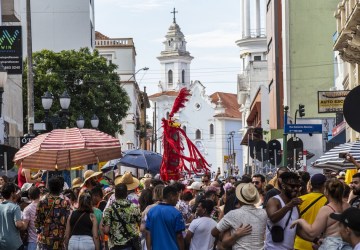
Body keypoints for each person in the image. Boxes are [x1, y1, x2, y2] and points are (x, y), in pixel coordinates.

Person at [291, 178, 351, 250]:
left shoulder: (326, 209)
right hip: (347, 245)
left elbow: (312, 232)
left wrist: (300, 221)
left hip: (332, 245)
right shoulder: (348, 206)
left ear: (326, 192)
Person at [212, 183, 267, 250]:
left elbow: (214, 232)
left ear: (239, 199)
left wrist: (231, 234)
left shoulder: (233, 214)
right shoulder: (263, 213)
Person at [265, 171, 302, 250]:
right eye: (292, 186)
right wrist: (289, 205)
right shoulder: (274, 201)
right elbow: (273, 218)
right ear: (283, 185)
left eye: (298, 186)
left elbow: (298, 230)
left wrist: (315, 239)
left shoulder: (296, 207)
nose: (295, 189)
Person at [294, 173, 328, 250]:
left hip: (299, 243)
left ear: (311, 185)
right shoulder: (328, 201)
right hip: (318, 244)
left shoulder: (300, 200)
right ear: (324, 185)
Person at [35, 177, 71, 250]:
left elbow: (37, 221)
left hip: (45, 240)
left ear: (49, 188)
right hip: (60, 239)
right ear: (60, 188)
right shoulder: (65, 203)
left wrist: (39, 231)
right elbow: (67, 221)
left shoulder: (42, 202)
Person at [102, 183, 141, 250]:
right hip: (132, 245)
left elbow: (106, 230)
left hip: (116, 246)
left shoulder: (109, 209)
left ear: (115, 194)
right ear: (126, 193)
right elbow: (140, 225)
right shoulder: (134, 207)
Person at [145, 185, 185, 250]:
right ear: (171, 196)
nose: (177, 200)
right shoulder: (176, 213)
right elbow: (179, 236)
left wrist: (149, 248)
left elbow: (148, 232)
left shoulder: (151, 211)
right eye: (177, 197)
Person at [0, 182, 25, 250]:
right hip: (14, 244)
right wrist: (24, 223)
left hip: (1, 243)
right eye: (15, 192)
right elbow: (19, 225)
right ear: (11, 193)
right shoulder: (15, 207)